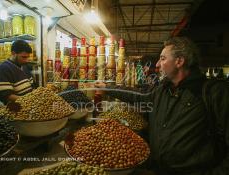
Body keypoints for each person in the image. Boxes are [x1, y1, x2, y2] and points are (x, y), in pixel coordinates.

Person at [95, 37, 229, 175]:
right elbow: (138, 95)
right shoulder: (163, 89)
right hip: (158, 169)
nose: (157, 64)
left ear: (179, 61)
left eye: (163, 58)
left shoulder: (213, 93)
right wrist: (108, 87)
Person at [0, 40, 34, 105]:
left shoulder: (24, 66)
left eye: (28, 57)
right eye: (24, 57)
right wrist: (27, 101)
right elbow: (5, 95)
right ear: (13, 53)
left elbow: (31, 86)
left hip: (29, 106)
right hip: (16, 109)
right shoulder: (3, 69)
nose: (26, 60)